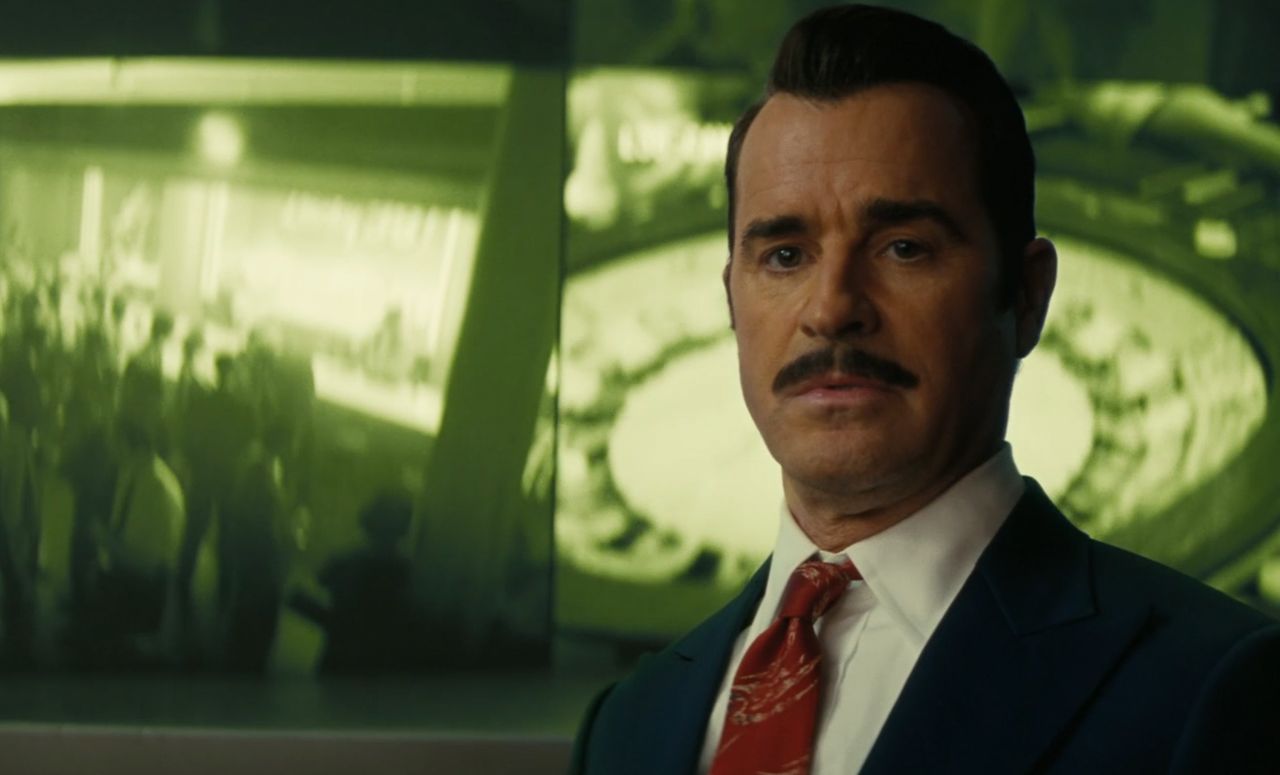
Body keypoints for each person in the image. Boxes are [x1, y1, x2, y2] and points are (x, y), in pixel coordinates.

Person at [569, 5, 1280, 774]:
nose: (832, 308)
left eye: (903, 247)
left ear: (1027, 296)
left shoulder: (1215, 688)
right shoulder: (627, 725)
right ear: (732, 300)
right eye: (785, 255)